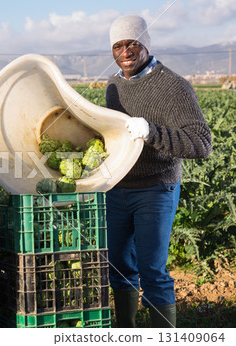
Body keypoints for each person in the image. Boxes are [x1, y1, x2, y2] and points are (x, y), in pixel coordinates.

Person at [105, 15, 212, 328]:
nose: (125, 52)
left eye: (132, 44)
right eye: (117, 46)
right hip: (118, 188)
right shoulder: (113, 85)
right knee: (120, 266)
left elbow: (201, 144)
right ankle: (127, 329)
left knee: (152, 269)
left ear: (145, 45)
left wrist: (151, 132)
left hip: (156, 189)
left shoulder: (173, 86)